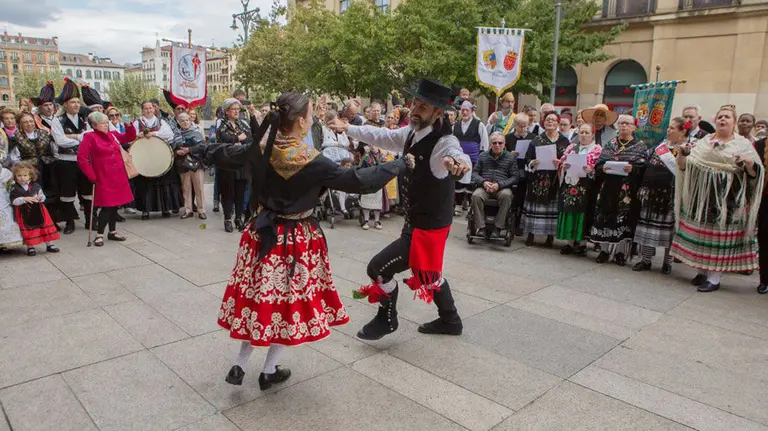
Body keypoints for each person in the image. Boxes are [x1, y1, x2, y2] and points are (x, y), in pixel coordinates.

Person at [198, 91, 408, 389]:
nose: (313, 118)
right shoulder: (313, 161)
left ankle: (240, 364)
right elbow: (358, 181)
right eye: (311, 114)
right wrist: (399, 165)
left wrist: (199, 149)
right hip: (296, 239)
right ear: (300, 121)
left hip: (260, 234)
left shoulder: (262, 147)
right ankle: (268, 369)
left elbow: (225, 155)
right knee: (286, 307)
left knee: (259, 301)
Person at [329, 78, 472, 340]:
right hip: (422, 220)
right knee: (428, 274)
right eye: (415, 103)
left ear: (438, 112)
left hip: (427, 226)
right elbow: (383, 136)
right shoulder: (412, 131)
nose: (416, 109)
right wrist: (347, 126)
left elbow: (457, 154)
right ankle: (450, 320)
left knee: (379, 268)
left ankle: (387, 320)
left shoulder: (443, 142)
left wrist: (459, 164)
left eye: (424, 106)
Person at [673, 105, 764, 292]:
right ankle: (702, 271)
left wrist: (748, 163)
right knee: (701, 233)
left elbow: (756, 173)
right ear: (715, 121)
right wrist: (682, 154)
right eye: (720, 117)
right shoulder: (704, 141)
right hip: (702, 197)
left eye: (727, 117)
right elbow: (686, 166)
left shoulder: (743, 144)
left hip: (728, 198)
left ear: (734, 122)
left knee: (719, 236)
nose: (723, 120)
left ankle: (714, 278)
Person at [632, 117, 690, 274]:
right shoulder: (661, 147)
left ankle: (667, 262)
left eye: (672, 128)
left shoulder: (688, 148)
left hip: (670, 195)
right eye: (668, 127)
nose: (668, 130)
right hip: (651, 193)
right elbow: (646, 159)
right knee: (648, 226)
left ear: (682, 131)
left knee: (669, 231)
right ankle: (646, 260)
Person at [591, 114, 647, 266]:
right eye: (621, 123)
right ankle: (604, 250)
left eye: (627, 123)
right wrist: (603, 167)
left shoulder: (640, 146)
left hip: (627, 190)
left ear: (634, 127)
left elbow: (643, 168)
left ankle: (620, 253)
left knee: (624, 219)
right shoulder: (610, 144)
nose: (624, 126)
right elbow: (599, 163)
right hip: (608, 187)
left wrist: (633, 168)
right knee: (604, 217)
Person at [77, 112, 135, 246]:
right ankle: (100, 234)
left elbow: (129, 136)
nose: (105, 125)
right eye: (102, 123)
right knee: (107, 206)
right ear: (94, 125)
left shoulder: (112, 135)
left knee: (115, 205)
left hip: (118, 175)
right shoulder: (89, 137)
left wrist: (128, 125)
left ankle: (112, 231)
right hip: (103, 175)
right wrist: (91, 175)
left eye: (106, 122)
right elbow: (82, 158)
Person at [50, 78, 92, 234]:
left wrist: (75, 137)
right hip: (66, 162)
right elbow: (60, 140)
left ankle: (89, 220)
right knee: (67, 194)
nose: (76, 105)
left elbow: (90, 136)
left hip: (84, 161)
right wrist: (80, 138)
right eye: (73, 102)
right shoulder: (58, 120)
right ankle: (69, 223)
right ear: (66, 104)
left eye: (77, 102)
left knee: (87, 192)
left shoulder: (85, 119)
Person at [522, 111, 570, 246]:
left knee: (552, 208)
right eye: (548, 120)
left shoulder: (565, 141)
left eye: (553, 120)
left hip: (555, 179)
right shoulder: (536, 140)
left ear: (558, 123)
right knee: (536, 207)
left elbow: (568, 160)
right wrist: (532, 162)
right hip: (538, 179)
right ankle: (531, 234)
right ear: (543, 122)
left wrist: (560, 163)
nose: (550, 122)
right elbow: (527, 158)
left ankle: (550, 237)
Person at [556, 123, 603, 255]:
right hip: (570, 184)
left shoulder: (598, 149)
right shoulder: (572, 147)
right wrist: (563, 165)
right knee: (569, 210)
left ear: (592, 135)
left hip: (586, 186)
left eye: (586, 132)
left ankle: (582, 243)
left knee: (583, 213)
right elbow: (561, 162)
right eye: (581, 132)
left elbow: (600, 169)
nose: (583, 135)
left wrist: (591, 170)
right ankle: (569, 242)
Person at [132, 101, 182, 220]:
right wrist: (139, 135)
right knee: (145, 186)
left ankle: (165, 208)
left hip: (159, 157)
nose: (149, 110)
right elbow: (131, 137)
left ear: (154, 109)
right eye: (146, 108)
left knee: (163, 184)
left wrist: (154, 133)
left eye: (150, 108)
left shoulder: (161, 122)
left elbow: (169, 135)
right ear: (142, 110)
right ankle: (145, 210)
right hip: (144, 158)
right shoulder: (137, 123)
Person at [470, 132, 519, 237]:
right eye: (494, 143)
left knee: (506, 195)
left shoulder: (510, 157)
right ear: (490, 144)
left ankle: (498, 227)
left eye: (500, 143)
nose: (497, 145)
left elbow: (515, 177)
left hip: (502, 188)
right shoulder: (483, 156)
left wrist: (499, 185)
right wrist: (483, 182)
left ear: (504, 144)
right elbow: (474, 173)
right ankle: (481, 227)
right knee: (476, 195)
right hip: (484, 187)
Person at [216, 98, 251, 232]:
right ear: (226, 111)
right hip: (227, 164)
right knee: (228, 192)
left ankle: (238, 218)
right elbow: (224, 138)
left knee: (240, 191)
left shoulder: (242, 124)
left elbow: (249, 137)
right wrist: (238, 138)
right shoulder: (222, 125)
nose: (237, 111)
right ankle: (227, 219)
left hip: (240, 163)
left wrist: (237, 139)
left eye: (238, 109)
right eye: (234, 109)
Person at [10, 162, 60, 256]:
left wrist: (40, 198)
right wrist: (24, 199)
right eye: (19, 175)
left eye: (25, 175)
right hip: (23, 211)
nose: (22, 178)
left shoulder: (35, 186)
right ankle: (30, 247)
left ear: (30, 176)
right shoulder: (15, 188)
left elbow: (42, 196)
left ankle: (50, 244)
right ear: (15, 176)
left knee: (43, 226)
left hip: (38, 209)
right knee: (29, 228)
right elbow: (13, 201)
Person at [453, 100, 488, 215]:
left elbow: (484, 141)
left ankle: (469, 205)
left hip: (473, 158)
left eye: (466, 110)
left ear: (472, 111)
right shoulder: (455, 125)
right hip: (459, 158)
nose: (464, 112)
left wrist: (482, 156)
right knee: (458, 180)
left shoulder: (479, 124)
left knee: (470, 182)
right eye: (462, 110)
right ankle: (458, 205)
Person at [505, 113, 535, 236]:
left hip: (526, 170)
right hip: (511, 170)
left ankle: (519, 224)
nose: (523, 129)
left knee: (522, 198)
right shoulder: (508, 138)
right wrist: (509, 154)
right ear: (515, 125)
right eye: (520, 126)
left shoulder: (533, 137)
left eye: (525, 126)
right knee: (512, 197)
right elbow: (502, 153)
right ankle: (508, 222)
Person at [175, 113, 206, 220]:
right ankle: (188, 210)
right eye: (183, 120)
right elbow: (173, 146)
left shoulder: (196, 132)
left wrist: (189, 150)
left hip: (196, 163)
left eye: (187, 120)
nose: (186, 122)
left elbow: (202, 146)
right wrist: (177, 151)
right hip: (183, 164)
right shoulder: (176, 134)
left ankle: (201, 210)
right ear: (179, 122)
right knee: (186, 188)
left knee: (199, 188)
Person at [0, 166, 23, 251]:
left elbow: (12, 186)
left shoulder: (6, 173)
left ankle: (3, 243)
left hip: (3, 198)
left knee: (6, 218)